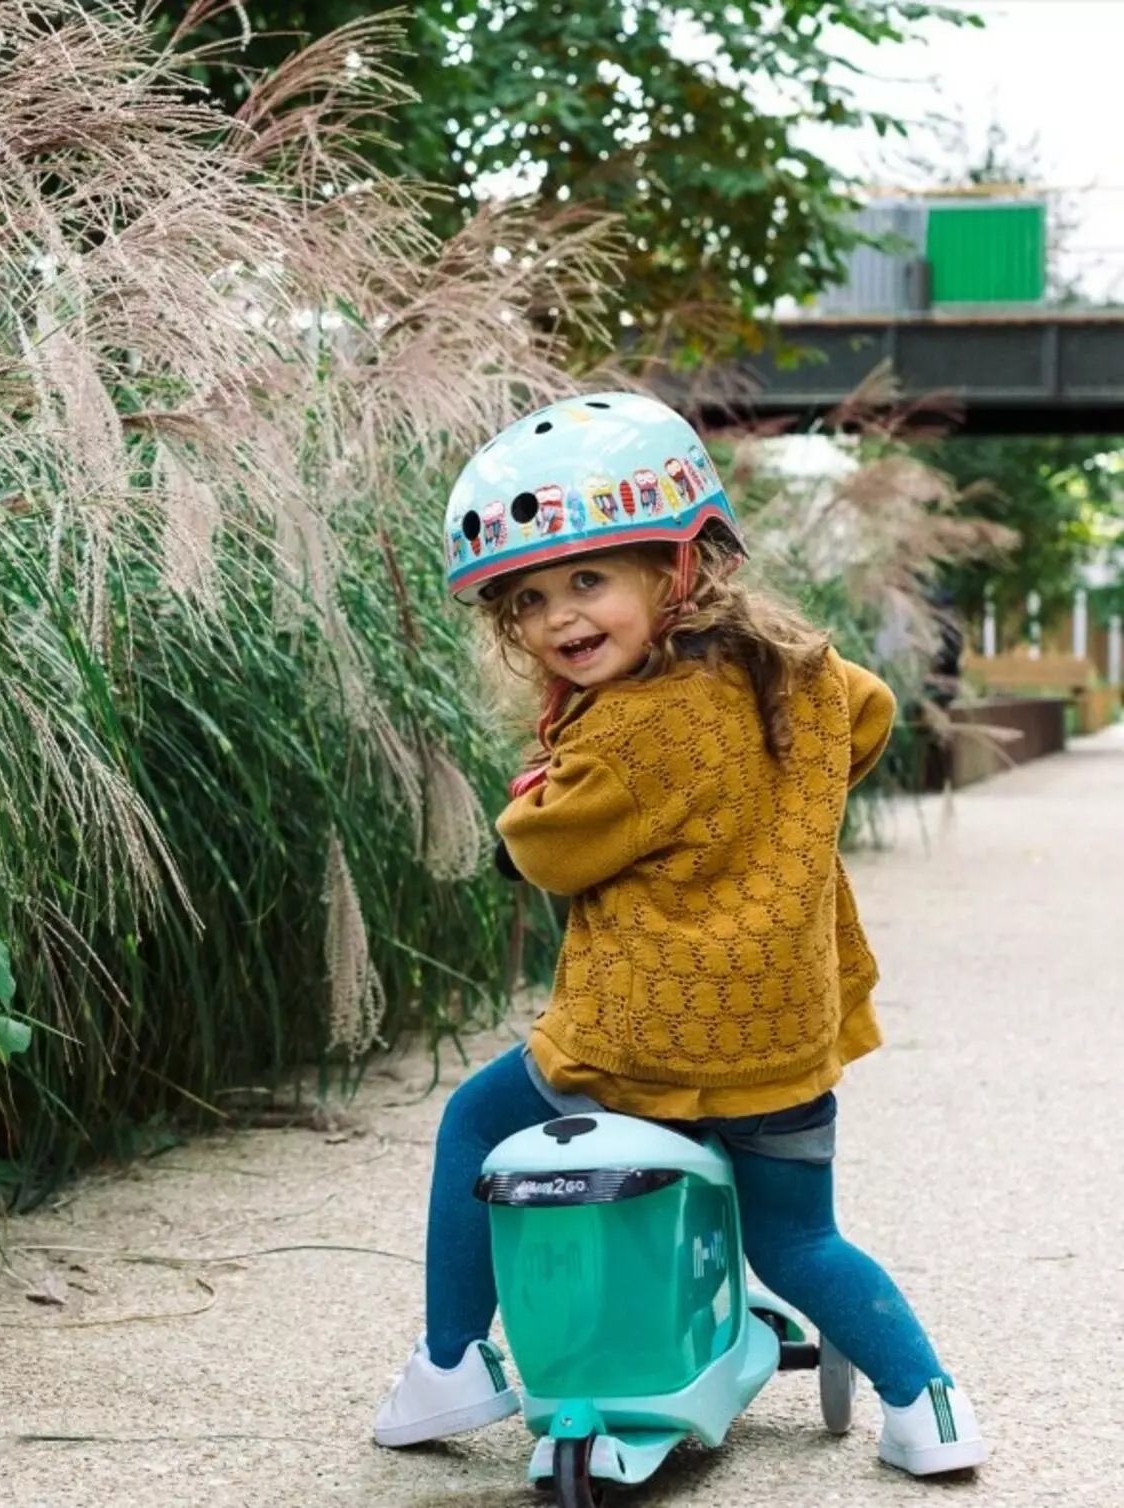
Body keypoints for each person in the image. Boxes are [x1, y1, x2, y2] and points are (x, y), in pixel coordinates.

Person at [373, 392, 986, 1477]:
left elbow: (549, 849)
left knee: (476, 1122)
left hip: (642, 1037)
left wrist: (527, 813)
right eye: (527, 597)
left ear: (680, 566)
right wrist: (785, 809)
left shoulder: (626, 728)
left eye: (589, 578)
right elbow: (876, 710)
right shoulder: (798, 669)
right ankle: (927, 1405)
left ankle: (453, 1360)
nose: (558, 615)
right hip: (784, 1035)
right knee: (799, 1236)